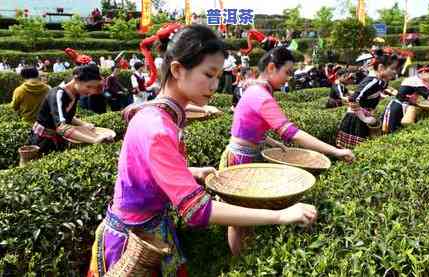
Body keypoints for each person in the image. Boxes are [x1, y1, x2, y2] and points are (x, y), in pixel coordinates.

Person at [87, 24, 318, 277]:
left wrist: (190, 172)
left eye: (219, 76)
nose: (216, 84)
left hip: (148, 228)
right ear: (177, 69)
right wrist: (281, 215)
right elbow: (198, 211)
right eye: (209, 74)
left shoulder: (160, 115)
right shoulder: (158, 127)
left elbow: (145, 169)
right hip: (133, 243)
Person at [220, 47, 354, 256]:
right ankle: (239, 262)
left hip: (246, 155)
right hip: (240, 159)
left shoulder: (255, 90)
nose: (289, 79)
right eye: (288, 73)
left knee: (247, 216)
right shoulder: (261, 96)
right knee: (239, 220)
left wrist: (270, 141)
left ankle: (244, 258)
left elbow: (247, 125)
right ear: (272, 68)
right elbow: (293, 133)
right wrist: (335, 151)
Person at [28, 64, 111, 154]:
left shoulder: (76, 93)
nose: (91, 91)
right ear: (76, 80)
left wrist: (84, 124)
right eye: (88, 86)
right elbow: (62, 127)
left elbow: (68, 116)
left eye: (93, 87)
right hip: (42, 139)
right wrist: (95, 139)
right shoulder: (58, 94)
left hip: (57, 137)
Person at [336, 55, 398, 149]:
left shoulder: (380, 81)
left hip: (365, 115)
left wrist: (380, 96)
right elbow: (353, 99)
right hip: (356, 119)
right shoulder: (372, 81)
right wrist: (364, 118)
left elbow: (372, 94)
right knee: (355, 151)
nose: (395, 72)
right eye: (393, 68)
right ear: (381, 67)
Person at [382, 64, 429, 133]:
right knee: (391, 131)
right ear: (423, 72)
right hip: (397, 107)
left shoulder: (418, 81)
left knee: (400, 130)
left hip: (405, 106)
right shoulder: (415, 82)